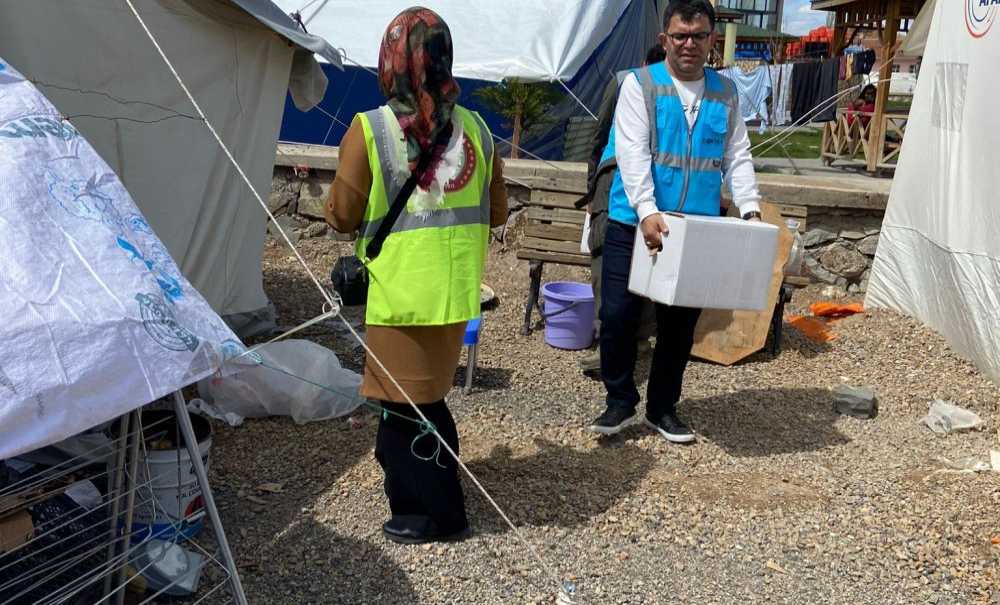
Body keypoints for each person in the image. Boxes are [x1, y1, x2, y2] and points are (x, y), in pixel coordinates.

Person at [324, 7, 508, 545]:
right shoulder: (478, 130)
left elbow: (341, 216)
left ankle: (436, 515)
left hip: (398, 296)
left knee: (406, 414)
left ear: (392, 60)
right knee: (423, 402)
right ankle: (426, 504)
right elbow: (498, 211)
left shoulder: (371, 129)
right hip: (453, 294)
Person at [588, 0, 762, 442]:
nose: (689, 44)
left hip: (692, 228)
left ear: (711, 39)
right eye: (680, 36)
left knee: (679, 326)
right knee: (618, 315)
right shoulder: (639, 85)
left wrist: (750, 208)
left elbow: (737, 155)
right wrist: (647, 210)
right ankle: (619, 399)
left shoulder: (725, 93)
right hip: (632, 220)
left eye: (699, 35)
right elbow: (631, 153)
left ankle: (662, 408)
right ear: (665, 39)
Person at [576, 44, 667, 375]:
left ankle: (637, 341)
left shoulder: (684, 88)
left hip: (655, 185)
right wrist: (591, 192)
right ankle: (610, 346)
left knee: (650, 260)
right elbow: (599, 138)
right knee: (607, 260)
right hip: (614, 180)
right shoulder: (625, 82)